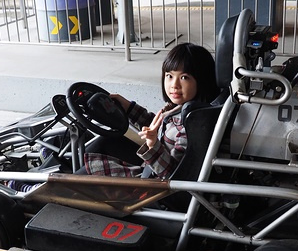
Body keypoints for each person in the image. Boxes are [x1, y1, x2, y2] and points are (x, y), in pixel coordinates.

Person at [84, 42, 219, 180]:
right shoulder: (179, 110)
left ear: (202, 81)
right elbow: (158, 126)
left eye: (184, 77)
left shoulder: (192, 125)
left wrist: (153, 144)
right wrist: (128, 108)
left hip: (154, 182)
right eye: (169, 76)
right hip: (153, 163)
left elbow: (174, 174)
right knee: (105, 141)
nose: (174, 85)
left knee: (87, 173)